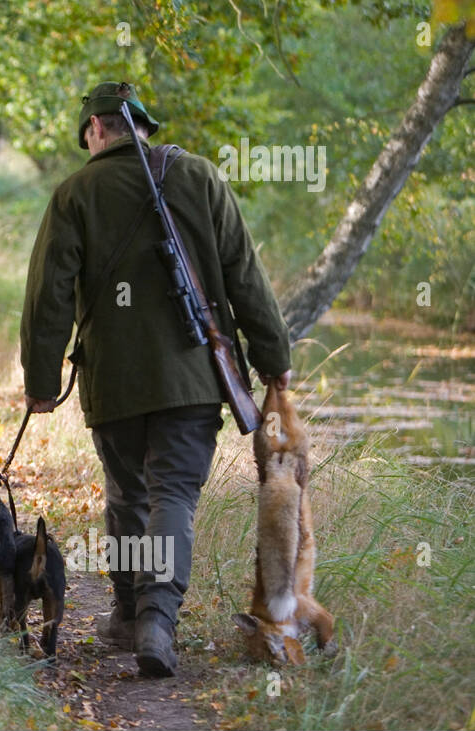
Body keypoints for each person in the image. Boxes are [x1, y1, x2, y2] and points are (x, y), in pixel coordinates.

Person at [20, 81, 291, 677]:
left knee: (126, 495)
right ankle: (157, 621)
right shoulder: (201, 177)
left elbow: (49, 298)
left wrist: (40, 380)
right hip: (194, 379)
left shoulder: (74, 192)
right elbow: (244, 274)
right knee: (173, 496)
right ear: (141, 125)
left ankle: (127, 609)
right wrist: (274, 357)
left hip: (114, 384)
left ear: (95, 129)